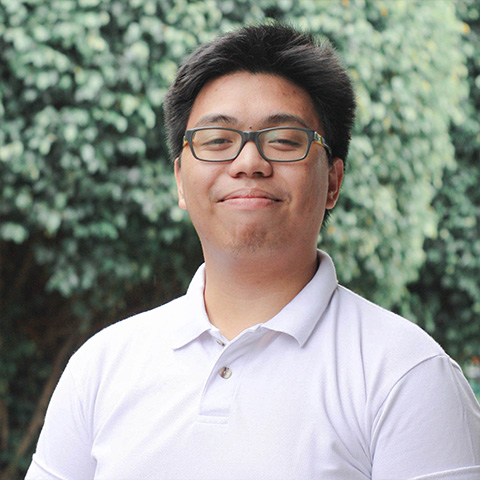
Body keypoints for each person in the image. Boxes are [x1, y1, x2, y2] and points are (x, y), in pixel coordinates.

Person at [27, 23, 480, 480]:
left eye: (283, 140)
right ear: (180, 180)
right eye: (217, 141)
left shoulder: (408, 376)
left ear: (333, 181)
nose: (249, 163)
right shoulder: (100, 368)